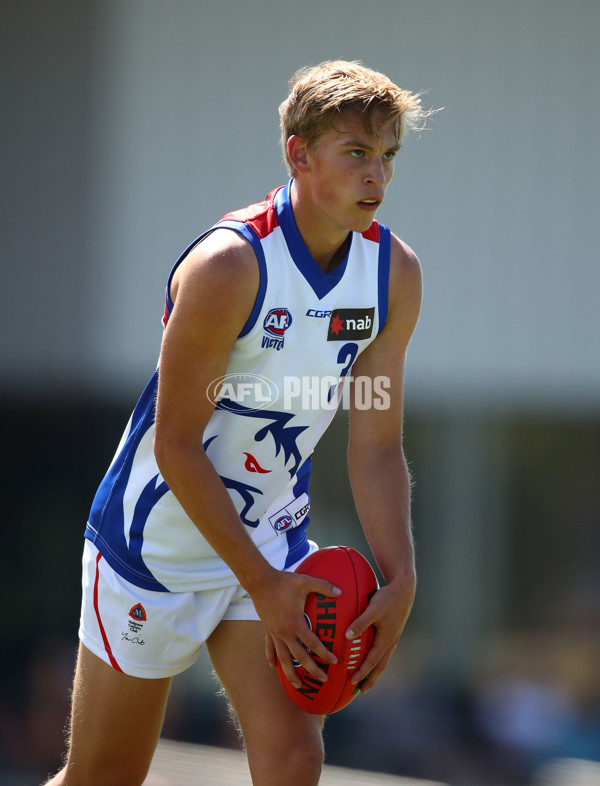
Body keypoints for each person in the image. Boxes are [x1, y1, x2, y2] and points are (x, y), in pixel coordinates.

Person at [46, 60, 429, 786]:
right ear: (298, 152)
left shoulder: (392, 277)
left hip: (270, 536)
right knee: (103, 776)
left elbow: (375, 442)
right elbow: (176, 443)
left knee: (294, 759)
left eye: (388, 157)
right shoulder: (229, 267)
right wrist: (262, 584)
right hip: (154, 545)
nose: (377, 176)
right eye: (356, 153)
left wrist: (401, 577)